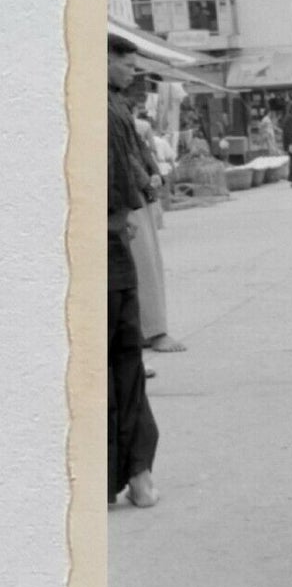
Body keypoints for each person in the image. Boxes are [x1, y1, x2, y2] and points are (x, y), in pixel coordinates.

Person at [106, 34, 159, 508]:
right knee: (122, 360)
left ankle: (124, 474)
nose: (130, 69)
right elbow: (121, 175)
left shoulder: (116, 107)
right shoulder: (104, 110)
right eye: (122, 61)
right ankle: (136, 472)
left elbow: (132, 164)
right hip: (106, 239)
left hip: (111, 235)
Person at [128, 105, 186, 354]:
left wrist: (152, 176)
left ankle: (149, 329)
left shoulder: (128, 119)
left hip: (137, 191)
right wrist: (145, 178)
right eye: (126, 64)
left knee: (146, 264)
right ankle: (151, 330)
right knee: (140, 266)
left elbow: (139, 151)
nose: (131, 72)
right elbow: (125, 156)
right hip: (126, 194)